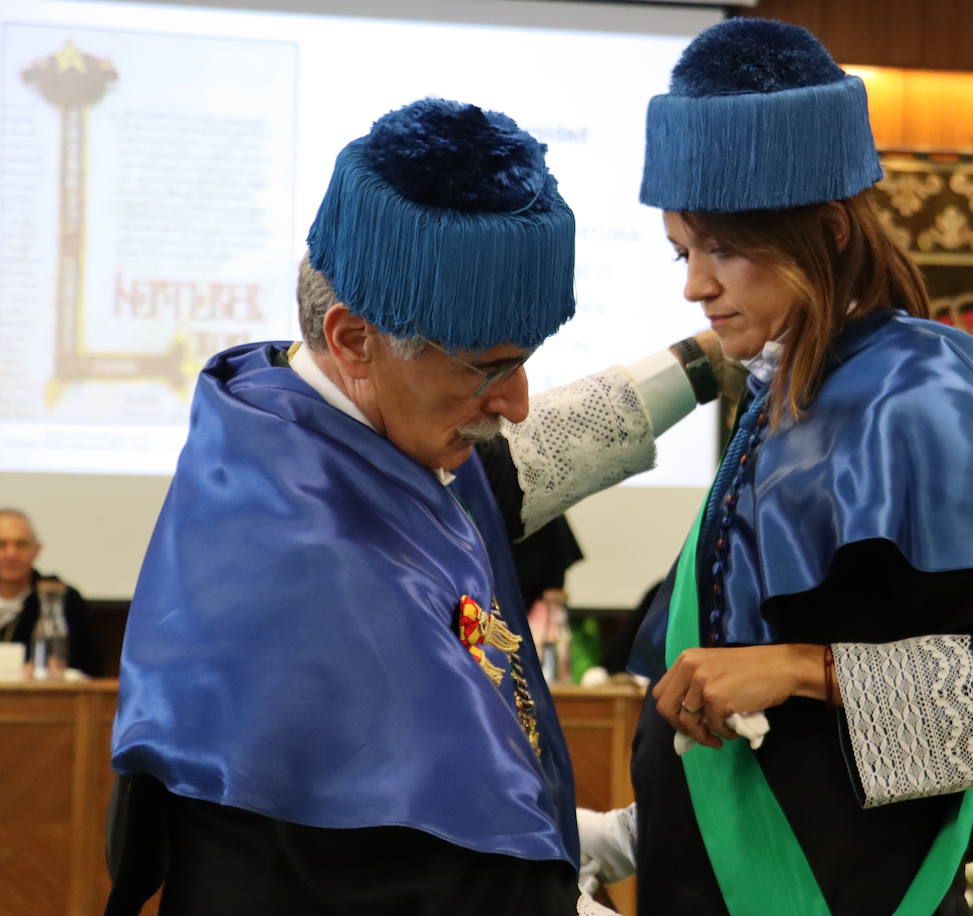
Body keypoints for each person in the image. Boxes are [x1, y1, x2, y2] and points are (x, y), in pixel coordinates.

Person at [104, 97, 724, 916]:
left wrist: (715, 358)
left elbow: (526, 463)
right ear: (355, 338)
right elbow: (415, 873)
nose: (519, 404)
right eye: (487, 367)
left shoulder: (305, 417)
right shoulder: (313, 566)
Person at [578, 20, 973, 916]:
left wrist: (800, 669)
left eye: (725, 250)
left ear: (826, 230)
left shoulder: (917, 394)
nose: (694, 286)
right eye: (683, 251)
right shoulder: (787, 384)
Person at [0, 508, 102, 675]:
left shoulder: (64, 599)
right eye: (1, 545)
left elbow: (89, 666)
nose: (11, 554)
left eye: (21, 545)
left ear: (37, 549)